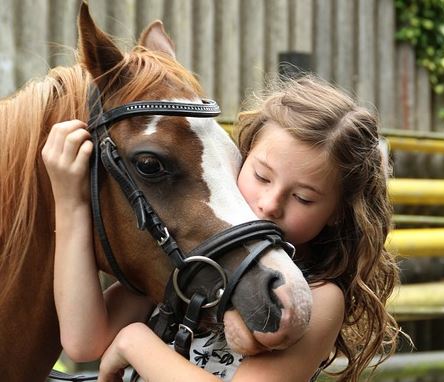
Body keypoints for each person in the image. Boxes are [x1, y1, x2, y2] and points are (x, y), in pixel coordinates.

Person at [42, 75, 401, 382]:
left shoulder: (320, 296)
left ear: (338, 211)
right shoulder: (195, 260)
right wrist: (70, 203)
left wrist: (133, 342)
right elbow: (83, 340)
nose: (270, 203)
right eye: (261, 176)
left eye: (303, 198)